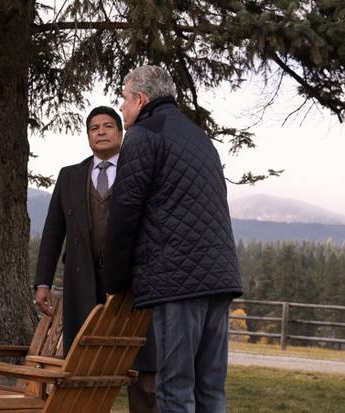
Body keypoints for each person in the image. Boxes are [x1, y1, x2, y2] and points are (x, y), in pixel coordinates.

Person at [104, 65, 243, 413]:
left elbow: (125, 211)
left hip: (179, 282)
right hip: (220, 278)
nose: (121, 109)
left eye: (123, 99)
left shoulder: (144, 134)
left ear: (140, 98)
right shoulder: (199, 138)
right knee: (211, 389)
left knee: (175, 389)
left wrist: (115, 281)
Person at [34, 106, 157, 412]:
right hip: (82, 285)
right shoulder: (69, 176)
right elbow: (52, 233)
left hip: (132, 289)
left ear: (120, 132)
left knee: (142, 369)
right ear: (88, 136)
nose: (100, 131)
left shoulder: (138, 171)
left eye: (108, 126)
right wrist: (42, 282)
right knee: (81, 369)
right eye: (94, 128)